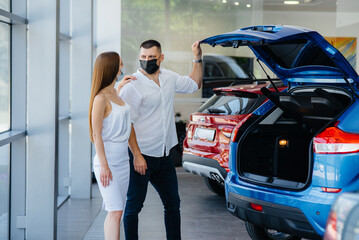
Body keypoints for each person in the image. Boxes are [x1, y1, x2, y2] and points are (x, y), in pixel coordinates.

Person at [119, 40, 203, 240]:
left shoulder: (169, 77)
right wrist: (137, 156)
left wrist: (197, 58)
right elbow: (127, 124)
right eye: (143, 57)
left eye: (151, 57)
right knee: (133, 207)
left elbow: (194, 83)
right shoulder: (132, 85)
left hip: (164, 156)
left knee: (173, 205)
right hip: (142, 157)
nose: (146, 61)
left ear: (161, 58)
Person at [89, 51, 139, 240]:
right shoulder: (100, 99)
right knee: (115, 211)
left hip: (122, 161)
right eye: (120, 64)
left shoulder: (115, 93)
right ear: (111, 67)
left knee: (116, 211)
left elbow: (122, 120)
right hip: (107, 162)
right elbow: (97, 135)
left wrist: (119, 85)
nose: (122, 66)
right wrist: (104, 166)